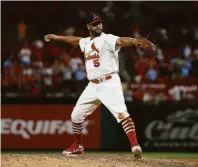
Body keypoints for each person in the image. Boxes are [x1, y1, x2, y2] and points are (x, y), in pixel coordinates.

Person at [45, 13, 146, 159]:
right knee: (76, 115)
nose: (98, 25)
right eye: (94, 23)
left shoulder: (107, 39)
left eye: (100, 23)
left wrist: (136, 41)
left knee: (122, 114)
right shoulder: (85, 42)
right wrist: (57, 37)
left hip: (109, 82)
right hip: (92, 86)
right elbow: (75, 40)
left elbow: (122, 41)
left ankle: (135, 145)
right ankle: (78, 145)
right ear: (88, 26)